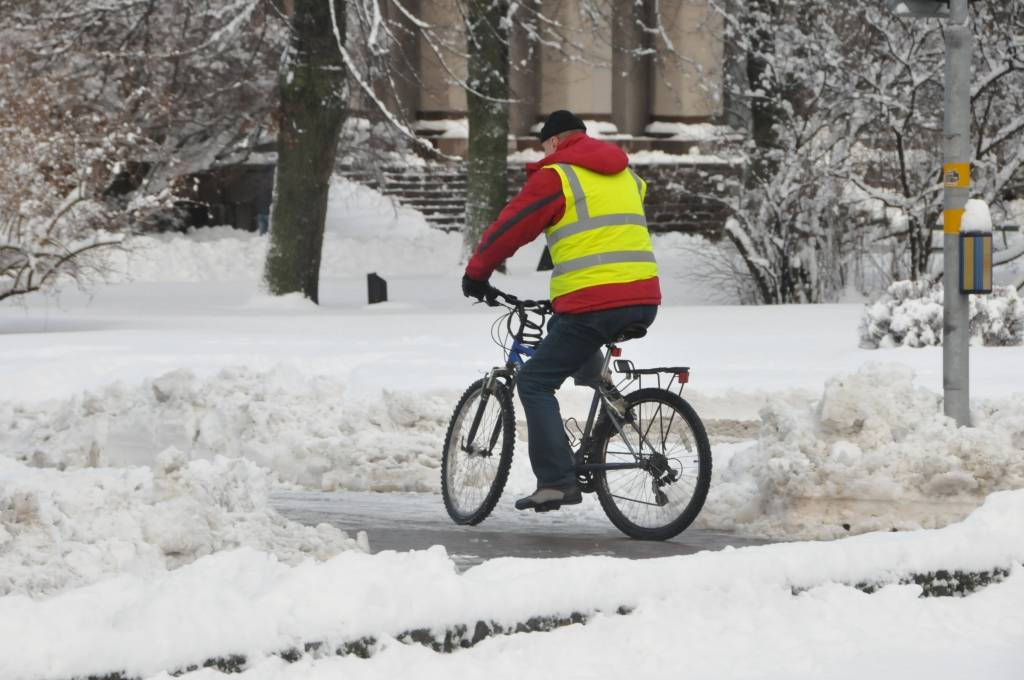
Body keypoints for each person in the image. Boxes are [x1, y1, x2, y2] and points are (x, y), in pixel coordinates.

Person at [461, 109, 661, 512]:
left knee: (534, 381)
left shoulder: (558, 176)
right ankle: (610, 399)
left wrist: (477, 273)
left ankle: (555, 482)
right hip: (643, 297)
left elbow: (510, 227)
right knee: (568, 334)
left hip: (595, 302)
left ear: (553, 142)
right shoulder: (627, 175)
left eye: (544, 146)